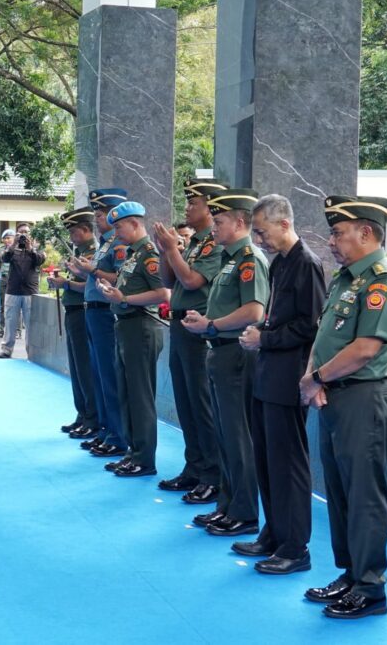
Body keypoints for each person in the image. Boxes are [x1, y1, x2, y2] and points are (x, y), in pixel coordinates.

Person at [299, 195, 387, 620]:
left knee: (364, 495)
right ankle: (350, 574)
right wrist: (316, 375)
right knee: (341, 492)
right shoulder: (346, 279)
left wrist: (316, 378)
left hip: (365, 398)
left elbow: (365, 349)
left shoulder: (384, 282)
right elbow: (325, 335)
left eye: (338, 232)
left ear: (366, 233)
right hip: (335, 394)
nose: (331, 241)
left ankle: (370, 588)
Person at [228, 194, 326, 574]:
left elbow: (310, 327)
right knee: (267, 461)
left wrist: (264, 338)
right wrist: (260, 332)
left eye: (262, 231)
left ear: (284, 224)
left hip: (288, 379)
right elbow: (277, 316)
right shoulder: (280, 262)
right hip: (268, 375)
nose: (259, 239)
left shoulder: (307, 264)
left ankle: (295, 548)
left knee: (288, 465)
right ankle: (274, 534)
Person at [182, 188, 269, 536]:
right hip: (220, 350)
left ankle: (244, 513)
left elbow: (254, 311)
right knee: (224, 435)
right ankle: (228, 505)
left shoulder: (249, 258)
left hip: (236, 353)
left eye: (219, 222)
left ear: (240, 221)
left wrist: (212, 325)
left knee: (238, 436)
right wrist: (205, 321)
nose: (213, 227)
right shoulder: (229, 259)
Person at [150, 178, 226, 503]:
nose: (187, 208)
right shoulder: (194, 242)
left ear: (210, 207)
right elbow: (169, 280)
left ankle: (212, 475)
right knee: (185, 401)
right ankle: (194, 467)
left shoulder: (214, 243)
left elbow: (193, 280)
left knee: (200, 402)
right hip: (180, 325)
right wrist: (165, 251)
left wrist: (172, 249)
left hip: (199, 328)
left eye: (193, 203)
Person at [98, 201, 169, 477]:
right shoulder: (132, 254)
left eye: (119, 227)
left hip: (141, 326)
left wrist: (125, 298)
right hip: (126, 327)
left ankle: (144, 458)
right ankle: (133, 452)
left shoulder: (149, 254)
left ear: (135, 224)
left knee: (140, 396)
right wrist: (113, 291)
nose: (116, 233)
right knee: (127, 393)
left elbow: (163, 294)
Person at [69, 188, 129, 458]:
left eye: (101, 214)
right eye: (96, 214)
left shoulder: (118, 244)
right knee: (98, 375)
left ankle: (117, 435)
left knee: (109, 376)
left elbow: (119, 278)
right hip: (92, 311)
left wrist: (91, 270)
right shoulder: (105, 243)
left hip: (105, 312)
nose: (97, 219)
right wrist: (83, 271)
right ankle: (105, 430)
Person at [48, 209, 101, 440]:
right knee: (77, 368)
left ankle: (92, 418)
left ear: (86, 230)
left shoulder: (94, 253)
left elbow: (91, 284)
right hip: (72, 312)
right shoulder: (79, 253)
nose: (71, 237)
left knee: (85, 368)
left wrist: (66, 284)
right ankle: (82, 414)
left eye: (74, 232)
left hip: (82, 311)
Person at [0, 223, 44, 358]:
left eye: (26, 232)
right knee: (10, 321)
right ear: (16, 234)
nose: (24, 235)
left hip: (30, 291)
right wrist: (14, 244)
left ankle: (32, 352)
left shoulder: (37, 249)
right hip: (13, 290)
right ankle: (6, 350)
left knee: (31, 324)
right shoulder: (10, 249)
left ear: (31, 234)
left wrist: (30, 248)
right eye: (20, 233)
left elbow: (39, 260)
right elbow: (4, 258)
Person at [0, 229, 15, 338]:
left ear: (14, 238)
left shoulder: (18, 249)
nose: (7, 240)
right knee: (3, 305)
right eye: (5, 238)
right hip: (4, 279)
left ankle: (17, 331)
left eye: (9, 238)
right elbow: (0, 263)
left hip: (14, 279)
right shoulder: (0, 251)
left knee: (15, 305)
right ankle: (2, 330)